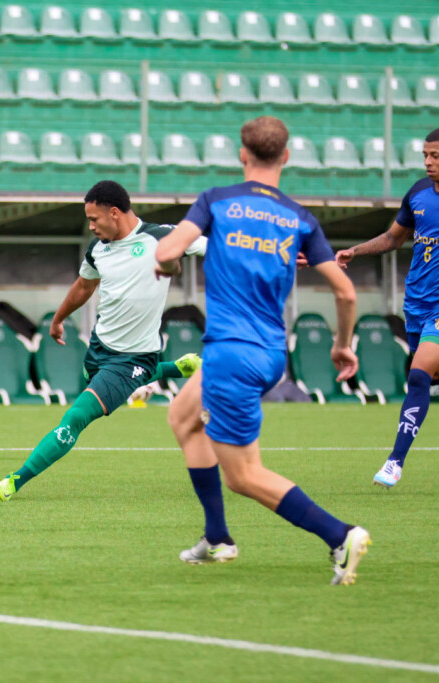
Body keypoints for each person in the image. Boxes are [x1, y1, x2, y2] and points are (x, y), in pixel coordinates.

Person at [155, 116, 371, 585]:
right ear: (287, 157)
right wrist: (342, 344)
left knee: (244, 476)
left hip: (232, 354)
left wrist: (168, 261)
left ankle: (340, 535)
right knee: (183, 417)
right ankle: (216, 538)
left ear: (242, 154)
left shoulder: (218, 200)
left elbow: (166, 251)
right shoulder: (298, 218)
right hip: (269, 351)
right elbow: (347, 293)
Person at [0, 180, 205, 502]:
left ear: (114, 213)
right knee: (106, 388)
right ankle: (174, 369)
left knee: (76, 417)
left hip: (133, 357)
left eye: (94, 219)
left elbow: (223, 246)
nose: (91, 226)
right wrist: (59, 319)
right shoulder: (98, 249)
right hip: (98, 347)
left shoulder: (162, 237)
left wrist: (282, 255)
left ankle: (14, 481)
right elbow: (84, 286)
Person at [336, 127, 439, 489]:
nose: (428, 162)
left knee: (417, 375)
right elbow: (394, 238)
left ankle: (395, 462)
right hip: (415, 303)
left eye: (436, 156)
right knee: (437, 373)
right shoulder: (417, 193)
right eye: (425, 155)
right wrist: (355, 251)